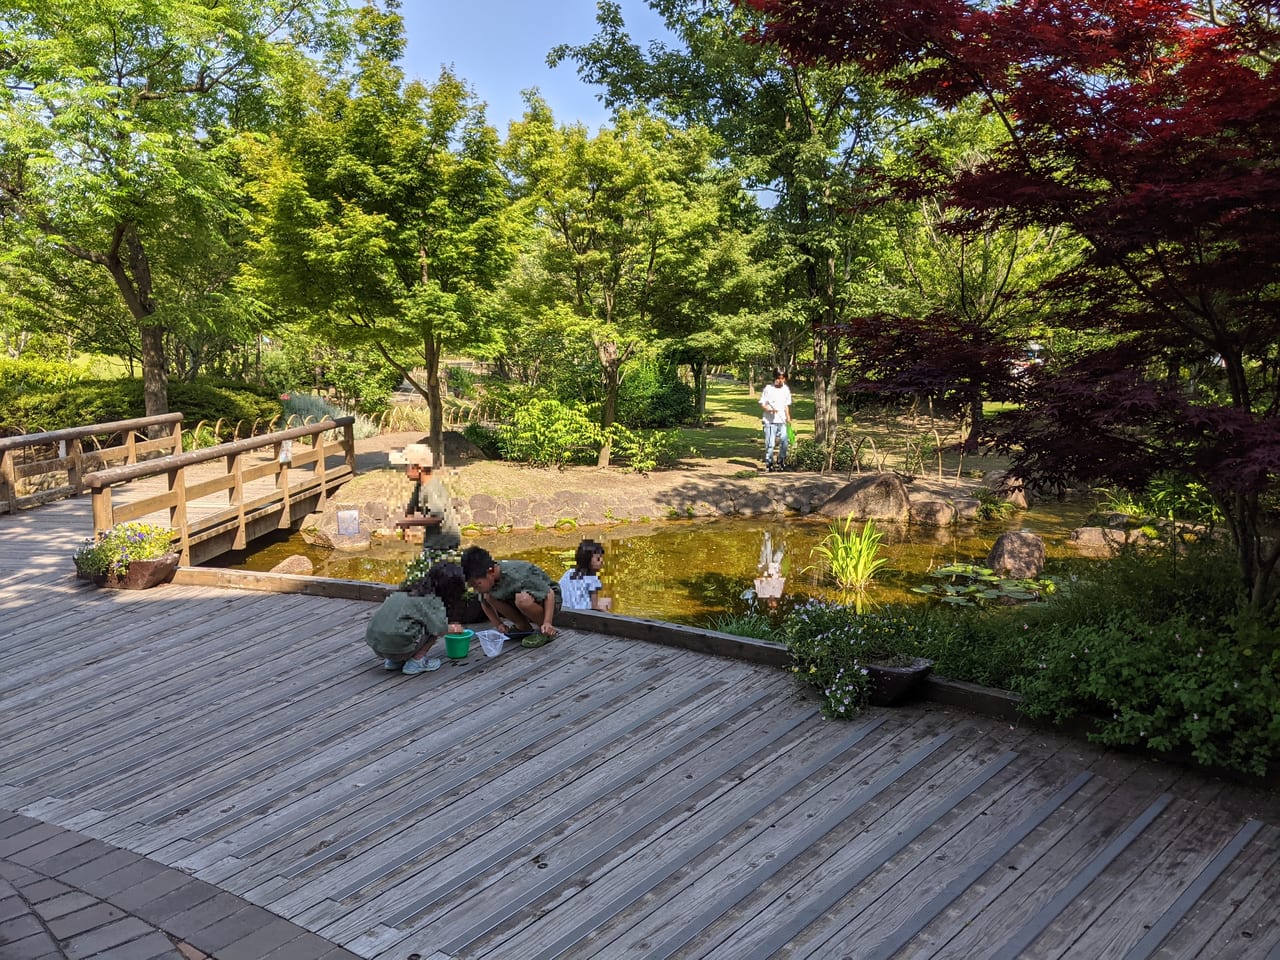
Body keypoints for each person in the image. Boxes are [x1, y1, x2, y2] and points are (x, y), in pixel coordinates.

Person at [364, 564, 465, 675]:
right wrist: (456, 628)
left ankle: (393, 662)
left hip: (377, 646)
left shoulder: (404, 592)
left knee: (403, 625)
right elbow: (439, 628)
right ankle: (417, 661)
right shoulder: (430, 601)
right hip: (399, 648)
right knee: (432, 628)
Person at [460, 545, 561, 647]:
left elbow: (549, 594)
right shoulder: (484, 581)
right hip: (518, 599)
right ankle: (523, 626)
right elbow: (485, 602)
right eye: (472, 586)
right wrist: (498, 624)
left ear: (491, 572)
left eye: (477, 584)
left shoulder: (518, 575)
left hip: (549, 601)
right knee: (490, 596)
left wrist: (547, 622)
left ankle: (545, 630)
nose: (475, 589)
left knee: (523, 600)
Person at [390, 443, 461, 555]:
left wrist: (409, 522)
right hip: (433, 541)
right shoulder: (420, 485)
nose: (404, 470)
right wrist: (406, 527)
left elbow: (437, 517)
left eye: (407, 466)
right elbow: (411, 507)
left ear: (419, 468)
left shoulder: (430, 488)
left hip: (444, 543)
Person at [559, 539, 612, 612]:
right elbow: (594, 606)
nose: (602, 561)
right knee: (607, 601)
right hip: (584, 614)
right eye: (598, 559)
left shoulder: (568, 573)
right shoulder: (593, 579)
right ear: (588, 560)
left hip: (564, 610)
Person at [759, 368, 793, 471]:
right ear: (775, 378)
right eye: (778, 378)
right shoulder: (768, 389)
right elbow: (763, 404)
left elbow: (786, 405)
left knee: (785, 442)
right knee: (770, 444)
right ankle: (769, 463)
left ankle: (781, 460)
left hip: (782, 421)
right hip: (770, 422)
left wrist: (788, 417)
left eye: (783, 378)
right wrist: (769, 410)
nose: (781, 380)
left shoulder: (786, 389)